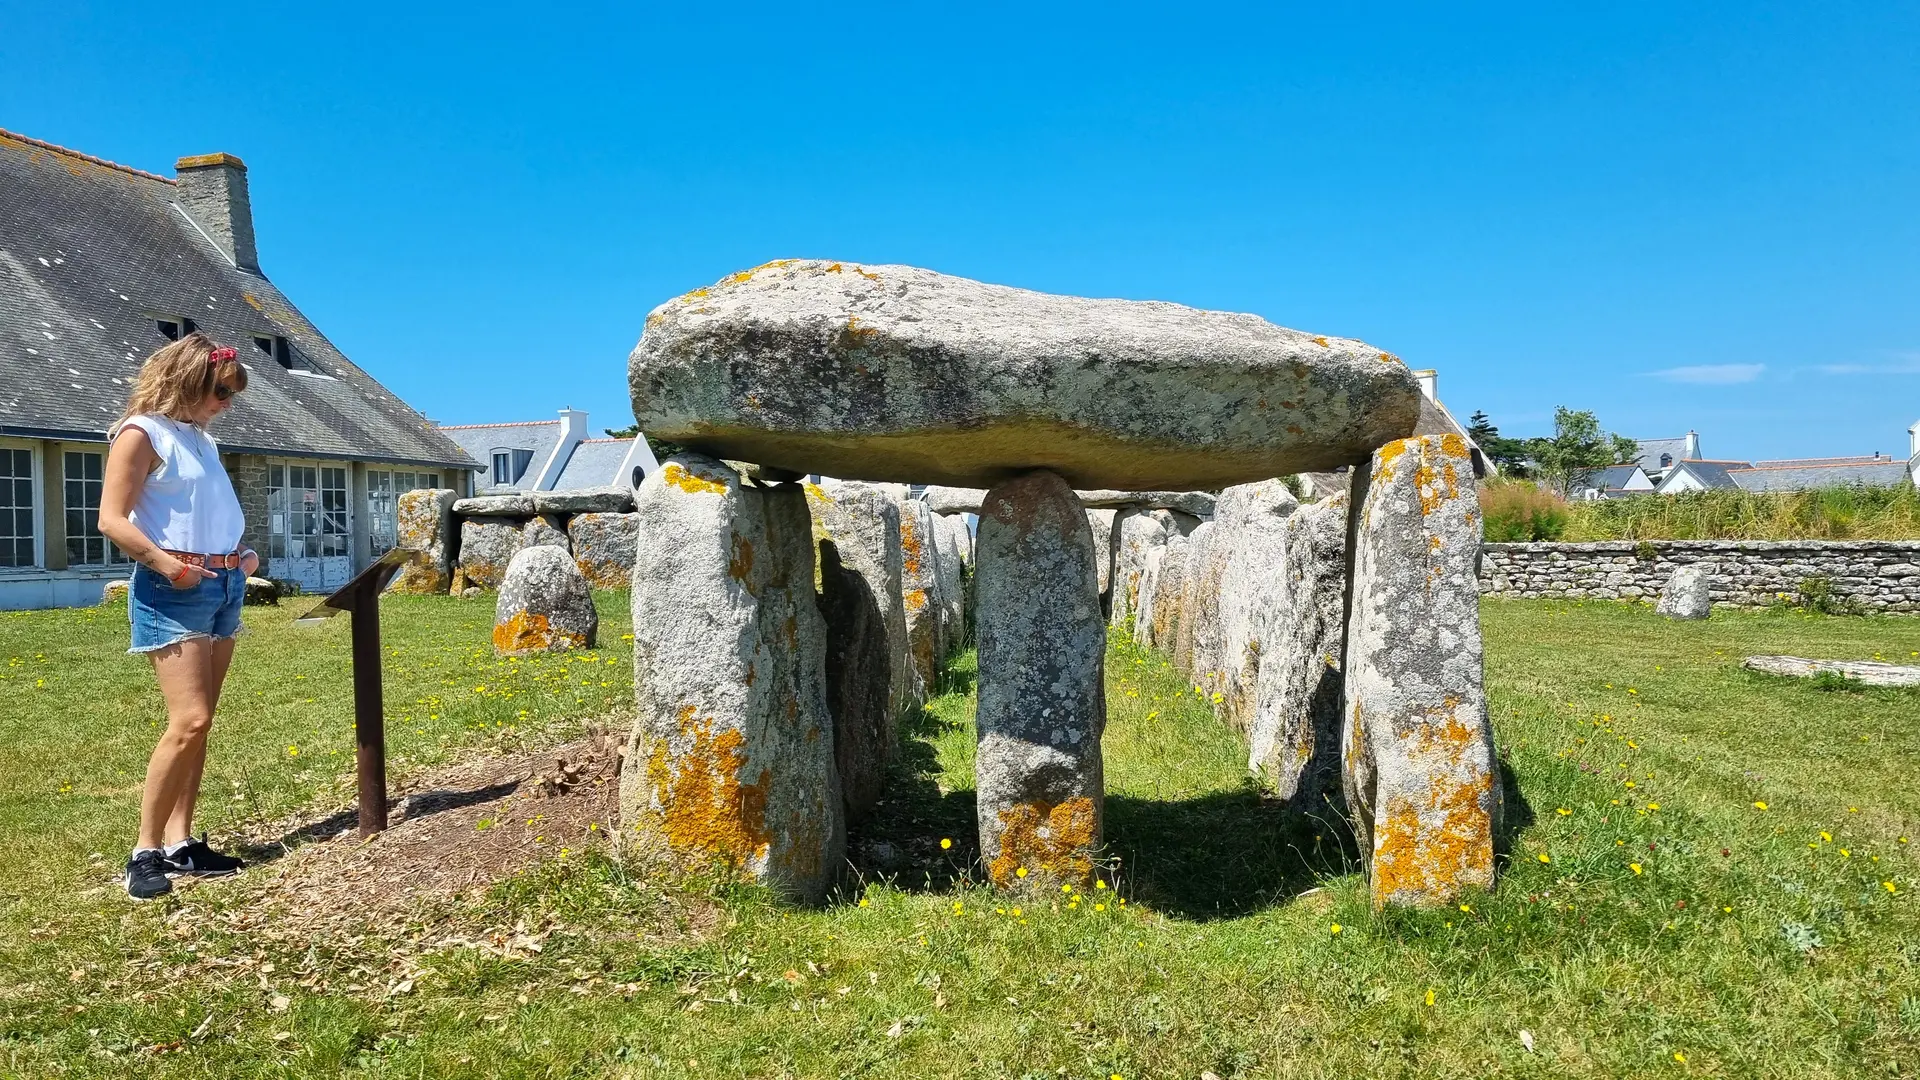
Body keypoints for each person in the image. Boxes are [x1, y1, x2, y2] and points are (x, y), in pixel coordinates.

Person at [96, 332, 259, 900]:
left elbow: (202, 510)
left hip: (224, 582)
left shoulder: (200, 440)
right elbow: (112, 520)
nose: (226, 404)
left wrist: (237, 554)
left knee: (203, 723)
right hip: (176, 587)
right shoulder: (141, 432)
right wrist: (172, 568)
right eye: (220, 391)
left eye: (231, 394)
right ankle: (143, 852)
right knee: (188, 721)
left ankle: (180, 843)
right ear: (187, 380)